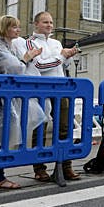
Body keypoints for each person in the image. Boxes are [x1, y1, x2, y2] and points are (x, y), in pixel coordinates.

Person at [17, 11, 80, 181]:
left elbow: (61, 66)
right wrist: (62, 56)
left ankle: (66, 166)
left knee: (65, 128)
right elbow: (40, 65)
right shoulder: (29, 43)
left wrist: (68, 57)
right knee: (40, 128)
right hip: (41, 89)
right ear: (36, 24)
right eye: (45, 22)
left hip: (60, 87)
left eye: (51, 22)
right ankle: (39, 168)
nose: (49, 25)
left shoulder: (56, 42)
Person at [0, 15, 43, 189]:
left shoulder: (9, 45)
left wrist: (28, 57)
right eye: (14, 27)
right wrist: (27, 57)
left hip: (10, 97)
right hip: (2, 99)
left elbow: (21, 65)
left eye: (18, 27)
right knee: (3, 135)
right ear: (5, 28)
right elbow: (16, 68)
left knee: (5, 134)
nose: (18, 30)